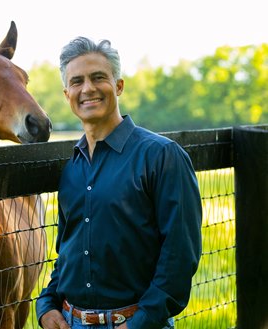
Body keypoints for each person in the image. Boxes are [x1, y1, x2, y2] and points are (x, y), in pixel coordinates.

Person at [36, 37, 202, 329]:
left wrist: (141, 322)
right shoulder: (72, 168)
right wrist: (47, 305)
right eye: (77, 81)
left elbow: (180, 254)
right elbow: (68, 252)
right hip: (70, 322)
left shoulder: (161, 156)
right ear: (67, 94)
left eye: (98, 77)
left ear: (119, 86)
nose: (87, 88)